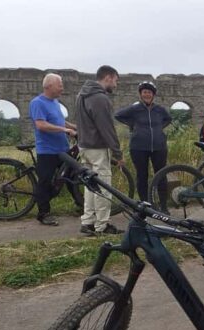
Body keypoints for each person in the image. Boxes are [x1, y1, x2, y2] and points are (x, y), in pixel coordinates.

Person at [75, 65, 125, 236]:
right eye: (116, 81)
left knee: (90, 186)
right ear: (108, 77)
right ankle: (102, 226)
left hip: (84, 146)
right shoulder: (100, 99)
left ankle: (88, 222)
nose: (116, 85)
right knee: (103, 187)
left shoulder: (81, 95)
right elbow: (107, 128)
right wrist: (118, 153)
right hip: (98, 148)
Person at [28, 73, 77, 226]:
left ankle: (81, 204)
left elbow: (60, 121)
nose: (62, 88)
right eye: (60, 85)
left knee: (72, 176)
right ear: (49, 86)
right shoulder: (37, 103)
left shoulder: (55, 102)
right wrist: (64, 130)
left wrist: (74, 127)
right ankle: (43, 213)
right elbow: (41, 125)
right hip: (47, 150)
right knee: (44, 181)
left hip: (62, 148)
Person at [114, 81, 172, 203]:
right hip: (138, 147)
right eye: (144, 92)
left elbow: (168, 119)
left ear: (153, 95)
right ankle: (145, 205)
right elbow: (118, 115)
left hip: (159, 147)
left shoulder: (160, 110)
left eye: (149, 92)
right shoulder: (135, 109)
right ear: (140, 94)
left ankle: (163, 205)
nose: (147, 94)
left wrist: (159, 129)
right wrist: (133, 125)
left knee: (161, 175)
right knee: (142, 176)